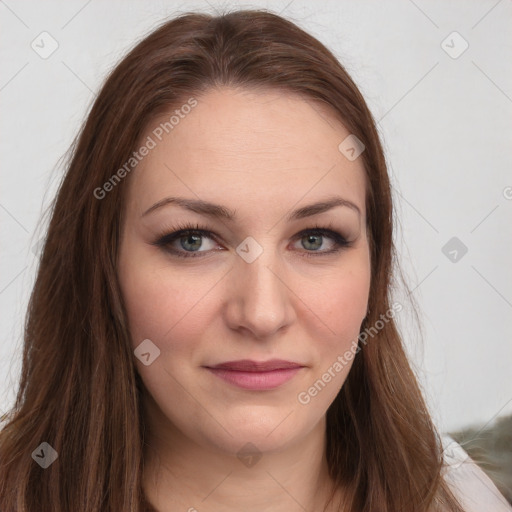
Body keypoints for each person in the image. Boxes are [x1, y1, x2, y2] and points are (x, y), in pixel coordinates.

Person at [0, 8, 510, 512]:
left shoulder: (459, 497)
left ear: (375, 267)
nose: (263, 314)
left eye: (315, 239)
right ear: (102, 266)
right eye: (193, 241)